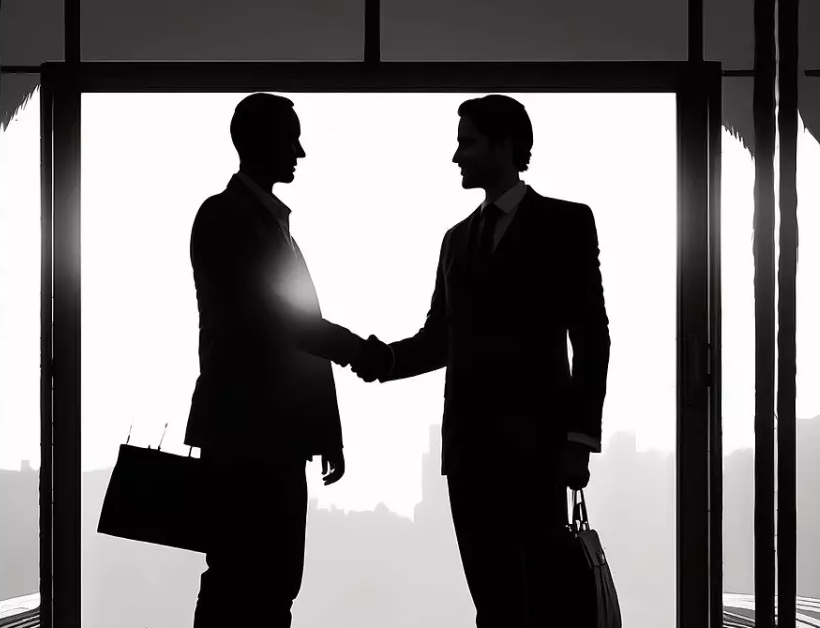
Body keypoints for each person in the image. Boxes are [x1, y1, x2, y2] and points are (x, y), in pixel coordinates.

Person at [351, 94, 611, 628]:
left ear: (504, 145)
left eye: (466, 143)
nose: (456, 157)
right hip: (469, 454)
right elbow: (438, 339)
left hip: (536, 449)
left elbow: (592, 336)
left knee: (540, 602)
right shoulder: (454, 241)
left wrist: (578, 440)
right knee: (493, 605)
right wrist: (379, 360)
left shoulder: (567, 223)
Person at [185, 92, 368, 628]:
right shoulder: (226, 218)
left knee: (269, 580)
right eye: (291, 138)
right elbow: (283, 324)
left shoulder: (265, 226)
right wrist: (362, 352)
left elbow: (292, 335)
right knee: (246, 578)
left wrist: (326, 432)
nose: (301, 153)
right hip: (248, 436)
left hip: (270, 436)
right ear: (260, 141)